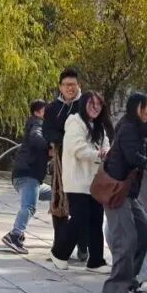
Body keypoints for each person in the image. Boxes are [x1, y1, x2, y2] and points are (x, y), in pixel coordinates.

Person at [101, 92, 147, 293]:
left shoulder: (140, 130)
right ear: (134, 107)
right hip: (117, 192)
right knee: (126, 238)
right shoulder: (128, 128)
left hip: (129, 194)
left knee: (144, 232)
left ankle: (129, 279)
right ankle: (115, 287)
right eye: (144, 107)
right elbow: (134, 157)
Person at [52, 91, 112, 272]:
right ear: (83, 103)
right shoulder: (75, 122)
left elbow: (106, 144)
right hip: (77, 181)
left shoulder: (99, 126)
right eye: (91, 103)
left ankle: (96, 261)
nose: (95, 108)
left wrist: (105, 152)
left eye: (98, 104)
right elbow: (77, 149)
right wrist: (99, 154)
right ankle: (59, 253)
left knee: (96, 220)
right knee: (80, 219)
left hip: (95, 182)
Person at [42, 68, 87, 261]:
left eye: (73, 85)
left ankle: (83, 245)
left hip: (82, 163)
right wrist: (64, 140)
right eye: (66, 85)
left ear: (79, 86)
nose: (70, 88)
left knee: (80, 206)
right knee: (59, 205)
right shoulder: (52, 108)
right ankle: (59, 248)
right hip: (61, 162)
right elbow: (47, 131)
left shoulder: (86, 105)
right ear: (60, 87)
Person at [3, 100, 48, 254]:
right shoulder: (37, 123)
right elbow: (36, 138)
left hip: (30, 176)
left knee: (55, 194)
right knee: (29, 206)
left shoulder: (35, 123)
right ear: (38, 112)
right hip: (28, 174)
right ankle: (14, 235)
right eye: (46, 110)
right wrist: (50, 145)